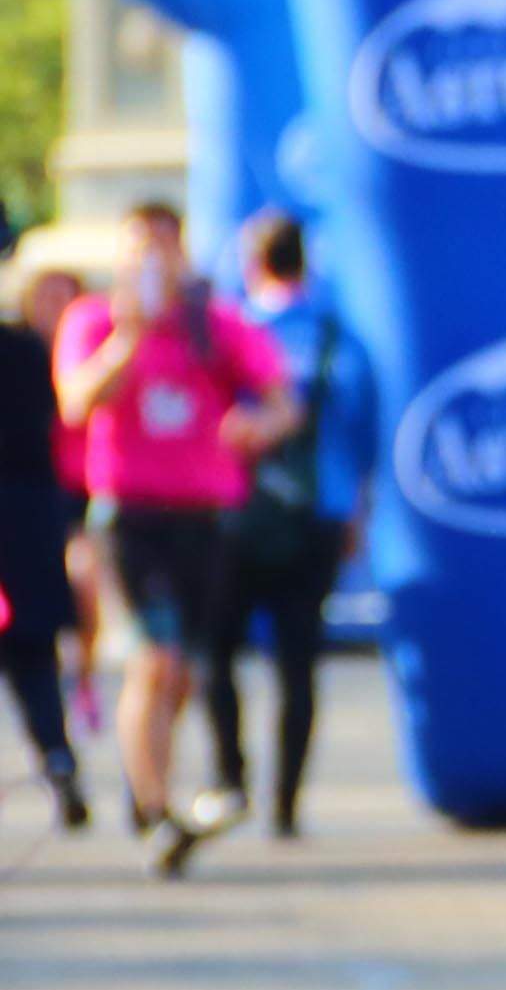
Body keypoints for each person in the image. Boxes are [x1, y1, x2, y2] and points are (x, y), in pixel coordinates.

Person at [54, 201, 298, 873]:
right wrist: (129, 337)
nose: (154, 260)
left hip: (205, 517)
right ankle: (157, 809)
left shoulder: (214, 324)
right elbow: (77, 401)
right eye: (141, 248)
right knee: (154, 659)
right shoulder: (96, 320)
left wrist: (258, 428)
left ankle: (146, 784)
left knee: (184, 668)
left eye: (165, 246)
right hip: (132, 515)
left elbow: (282, 400)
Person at [205, 213, 375, 841]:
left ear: (254, 264)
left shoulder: (233, 332)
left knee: (216, 651)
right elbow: (363, 434)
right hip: (320, 514)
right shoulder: (340, 339)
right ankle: (286, 803)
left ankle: (231, 778)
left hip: (236, 513)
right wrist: (358, 511)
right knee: (298, 661)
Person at [0, 247, 89, 826]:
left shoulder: (28, 348)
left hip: (26, 513)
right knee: (34, 659)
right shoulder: (30, 350)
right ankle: (58, 759)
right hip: (29, 517)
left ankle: (58, 760)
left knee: (33, 655)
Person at [25, 266, 103, 738]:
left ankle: (83, 676)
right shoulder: (19, 355)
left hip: (81, 488)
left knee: (82, 582)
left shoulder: (88, 352)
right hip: (32, 494)